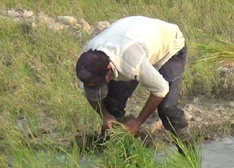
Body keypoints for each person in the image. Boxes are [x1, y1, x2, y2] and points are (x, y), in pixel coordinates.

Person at [75, 16, 190, 148]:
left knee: (167, 109)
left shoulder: (130, 63)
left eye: (100, 82)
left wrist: (138, 122)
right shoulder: (86, 64)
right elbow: (88, 92)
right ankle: (124, 148)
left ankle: (188, 154)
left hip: (170, 46)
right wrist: (105, 116)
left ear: (108, 70)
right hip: (134, 40)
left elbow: (161, 89)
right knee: (111, 105)